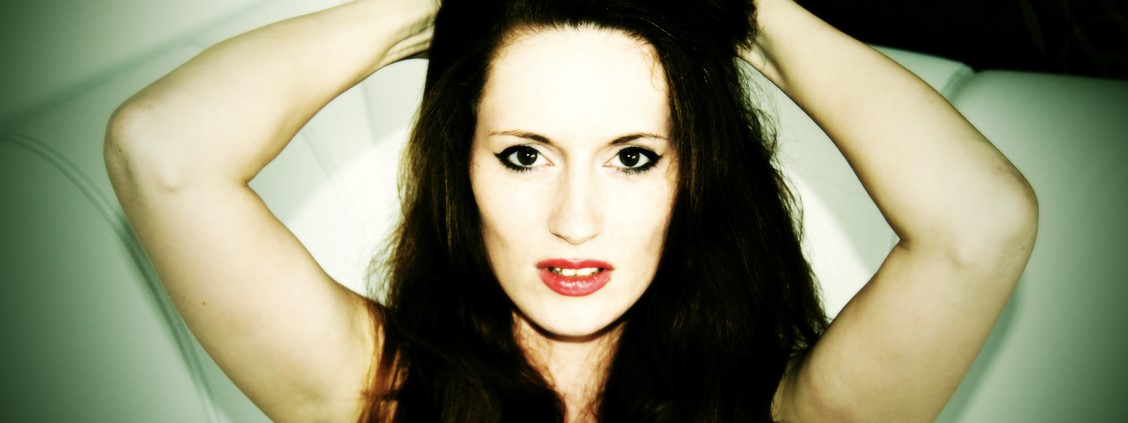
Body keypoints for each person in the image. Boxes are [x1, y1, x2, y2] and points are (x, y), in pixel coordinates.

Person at [103, 0, 1038, 421]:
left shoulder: (782, 410)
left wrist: (744, 11)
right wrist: (438, 8)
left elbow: (983, 224)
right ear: (460, 171)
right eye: (524, 155)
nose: (575, 221)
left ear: (695, 178)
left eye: (633, 158)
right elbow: (160, 151)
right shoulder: (377, 393)